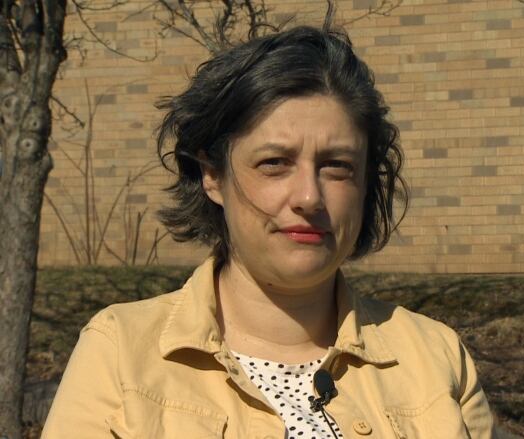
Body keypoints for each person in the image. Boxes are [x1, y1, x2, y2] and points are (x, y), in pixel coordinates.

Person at [42, 25, 496, 438]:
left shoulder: (435, 357)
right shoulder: (120, 351)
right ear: (212, 175)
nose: (309, 197)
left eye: (337, 166)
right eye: (274, 163)